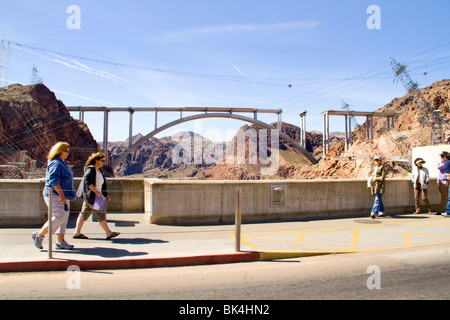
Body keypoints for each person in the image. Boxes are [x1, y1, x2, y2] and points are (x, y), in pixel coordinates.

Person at [32, 142, 77, 250]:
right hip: (55, 195)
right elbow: (53, 179)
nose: (68, 153)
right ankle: (39, 235)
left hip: (63, 195)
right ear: (60, 151)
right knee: (59, 216)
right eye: (66, 151)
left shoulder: (61, 162)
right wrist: (61, 194)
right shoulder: (56, 163)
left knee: (64, 217)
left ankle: (60, 241)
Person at [73, 152, 120, 240]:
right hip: (94, 197)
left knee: (83, 214)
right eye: (102, 161)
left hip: (93, 197)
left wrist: (105, 194)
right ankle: (108, 233)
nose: (103, 162)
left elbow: (102, 185)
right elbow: (87, 181)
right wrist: (95, 191)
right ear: (96, 160)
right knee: (100, 214)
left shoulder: (99, 170)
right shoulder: (90, 169)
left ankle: (77, 232)